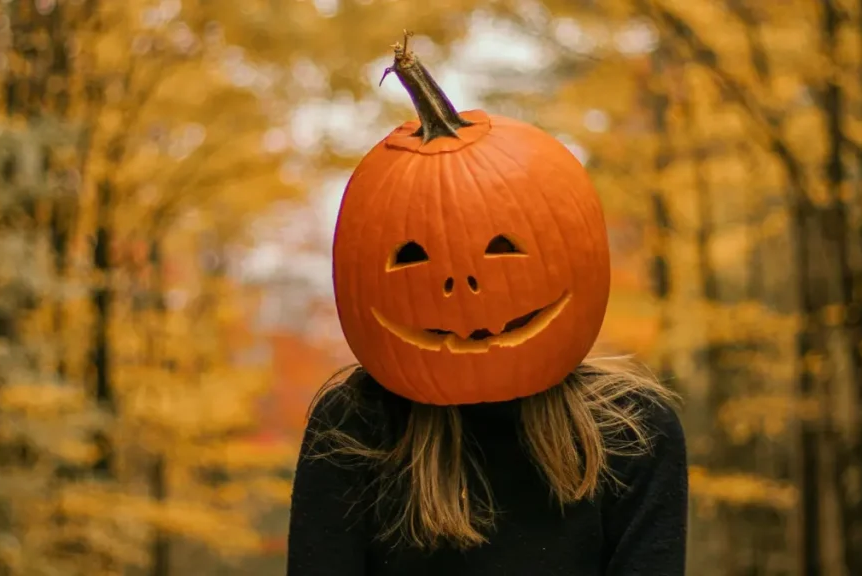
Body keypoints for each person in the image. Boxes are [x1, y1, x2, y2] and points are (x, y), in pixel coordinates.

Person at [286, 32, 688, 576]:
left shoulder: (632, 430)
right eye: (411, 255)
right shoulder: (356, 427)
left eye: (502, 247)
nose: (462, 285)